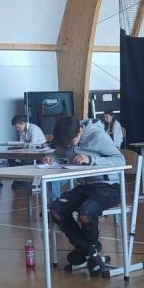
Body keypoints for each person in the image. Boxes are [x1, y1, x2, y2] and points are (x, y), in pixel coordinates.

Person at [45, 115, 125, 275]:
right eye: (67, 145)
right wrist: (51, 158)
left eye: (72, 143)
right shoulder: (67, 137)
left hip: (108, 187)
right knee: (56, 208)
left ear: (80, 132)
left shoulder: (98, 136)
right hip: (85, 187)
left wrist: (91, 159)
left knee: (86, 212)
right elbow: (59, 153)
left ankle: (86, 251)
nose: (70, 146)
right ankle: (90, 251)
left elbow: (120, 160)